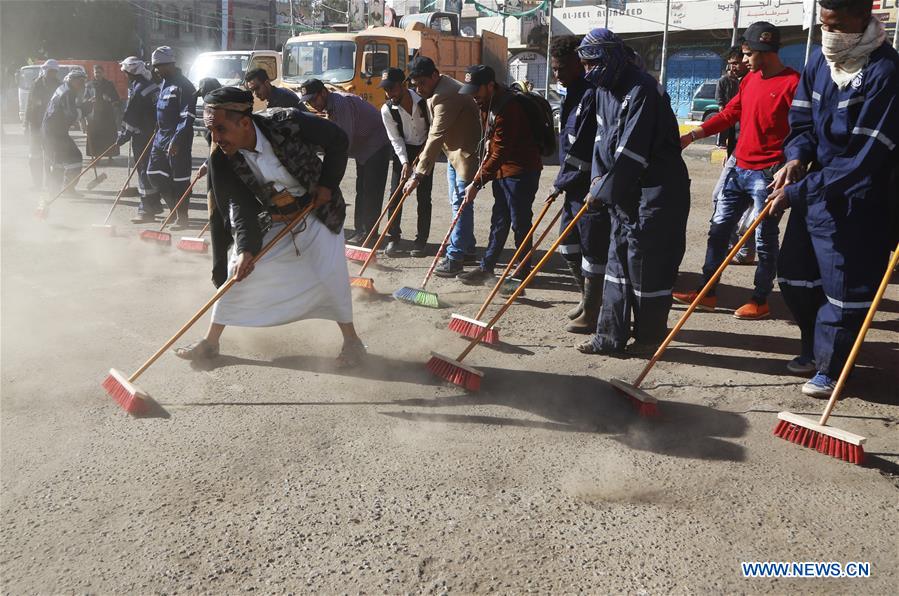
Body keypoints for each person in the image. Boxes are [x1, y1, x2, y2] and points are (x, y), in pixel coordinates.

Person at [174, 87, 366, 367]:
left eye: (220, 129)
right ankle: (210, 342)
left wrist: (327, 184)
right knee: (236, 273)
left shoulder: (287, 122)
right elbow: (239, 205)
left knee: (330, 275)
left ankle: (353, 343)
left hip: (318, 212)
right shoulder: (222, 156)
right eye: (210, 130)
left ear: (244, 122)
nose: (215, 138)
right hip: (276, 218)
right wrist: (246, 249)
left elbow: (338, 139)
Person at [767, 0, 898, 397]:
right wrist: (796, 157)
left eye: (837, 25)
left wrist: (795, 191)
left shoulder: (886, 72)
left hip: (861, 201)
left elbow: (865, 158)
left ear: (862, 20)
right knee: (794, 276)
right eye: (824, 24)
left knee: (844, 291)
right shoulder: (820, 62)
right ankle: (812, 348)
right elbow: (802, 121)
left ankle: (833, 366)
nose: (830, 33)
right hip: (815, 192)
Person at [575, 28, 691, 356]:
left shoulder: (643, 89)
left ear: (612, 57)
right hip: (622, 189)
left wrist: (606, 188)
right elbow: (602, 142)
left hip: (656, 190)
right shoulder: (601, 91)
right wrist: (598, 181)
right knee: (616, 260)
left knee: (646, 265)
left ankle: (649, 337)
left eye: (593, 63)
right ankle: (609, 337)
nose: (588, 71)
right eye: (583, 65)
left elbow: (632, 149)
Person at [676, 22, 800, 321]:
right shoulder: (750, 80)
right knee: (718, 231)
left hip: (769, 174)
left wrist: (794, 163)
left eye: (748, 54)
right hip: (739, 168)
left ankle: (760, 299)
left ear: (765, 51)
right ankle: (707, 292)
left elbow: (803, 129)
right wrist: (693, 135)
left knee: (763, 238)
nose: (743, 60)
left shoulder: (794, 83)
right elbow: (731, 113)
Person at [456, 65, 543, 286]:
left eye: (476, 90)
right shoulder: (486, 102)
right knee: (499, 220)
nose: (473, 96)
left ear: (490, 86)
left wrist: (476, 183)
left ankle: (522, 271)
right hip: (502, 171)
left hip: (522, 171)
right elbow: (494, 145)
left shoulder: (509, 108)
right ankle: (487, 268)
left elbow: (501, 152)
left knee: (520, 222)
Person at [549, 35, 611, 334]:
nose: (556, 74)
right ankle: (585, 299)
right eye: (554, 68)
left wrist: (564, 181)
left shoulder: (591, 95)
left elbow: (587, 149)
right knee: (568, 245)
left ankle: (594, 310)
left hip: (590, 190)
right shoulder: (569, 94)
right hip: (571, 188)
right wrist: (560, 182)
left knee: (592, 252)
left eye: (561, 68)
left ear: (579, 64)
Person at [403, 56, 482, 277]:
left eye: (422, 83)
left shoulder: (445, 95)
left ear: (434, 75)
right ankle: (467, 249)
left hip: (466, 154)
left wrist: (417, 175)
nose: (419, 88)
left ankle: (455, 257)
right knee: (458, 203)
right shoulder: (438, 88)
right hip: (454, 152)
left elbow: (436, 135)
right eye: (415, 84)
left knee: (461, 205)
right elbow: (436, 135)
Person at [300, 78, 392, 244]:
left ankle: (369, 235)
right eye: (309, 102)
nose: (313, 105)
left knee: (371, 192)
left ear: (323, 93)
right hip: (363, 149)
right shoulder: (331, 105)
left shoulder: (340, 104)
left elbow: (343, 143)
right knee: (361, 190)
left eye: (314, 99)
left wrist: (329, 174)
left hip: (377, 145)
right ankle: (360, 231)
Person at [378, 67, 432, 257]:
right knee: (396, 193)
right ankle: (393, 237)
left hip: (426, 146)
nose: (389, 93)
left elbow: (434, 129)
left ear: (403, 85)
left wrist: (425, 154)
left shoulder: (424, 101)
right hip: (404, 149)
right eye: (385, 89)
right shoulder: (387, 110)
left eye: (392, 88)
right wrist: (405, 162)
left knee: (424, 197)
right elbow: (395, 139)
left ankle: (421, 241)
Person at [147, 46, 197, 230]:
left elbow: (187, 117)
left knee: (180, 180)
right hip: (160, 138)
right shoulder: (164, 84)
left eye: (158, 66)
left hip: (178, 140)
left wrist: (177, 139)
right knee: (154, 174)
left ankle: (182, 217)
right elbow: (161, 112)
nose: (155, 70)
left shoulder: (184, 86)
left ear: (169, 64)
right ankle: (173, 210)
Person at [117, 56, 162, 223]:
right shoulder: (150, 85)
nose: (124, 75)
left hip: (143, 135)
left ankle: (146, 211)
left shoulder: (139, 88)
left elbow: (131, 115)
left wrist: (123, 136)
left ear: (131, 73)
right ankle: (155, 204)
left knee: (143, 170)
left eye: (125, 72)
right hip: (154, 133)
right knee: (149, 168)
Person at [42, 70, 87, 196]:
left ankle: (54, 189)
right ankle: (67, 189)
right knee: (75, 157)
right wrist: (84, 110)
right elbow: (71, 115)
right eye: (80, 81)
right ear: (72, 80)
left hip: (52, 130)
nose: (82, 84)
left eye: (83, 81)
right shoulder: (68, 92)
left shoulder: (63, 88)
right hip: (55, 132)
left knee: (59, 160)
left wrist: (81, 108)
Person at [24, 59, 60, 190]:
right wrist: (25, 124)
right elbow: (30, 104)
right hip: (35, 125)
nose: (51, 74)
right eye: (49, 71)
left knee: (51, 156)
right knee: (34, 156)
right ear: (45, 70)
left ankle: (51, 183)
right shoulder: (36, 84)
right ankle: (37, 183)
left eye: (53, 72)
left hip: (51, 126)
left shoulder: (59, 85)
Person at [84, 64, 121, 159]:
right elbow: (84, 99)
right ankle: (96, 156)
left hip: (107, 115)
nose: (98, 74)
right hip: (94, 116)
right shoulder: (89, 85)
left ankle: (110, 155)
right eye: (96, 72)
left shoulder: (109, 84)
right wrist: (89, 100)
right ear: (93, 73)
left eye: (99, 72)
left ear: (103, 73)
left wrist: (109, 99)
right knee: (95, 136)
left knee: (108, 136)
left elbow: (116, 99)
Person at [715, 46, 747, 153]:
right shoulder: (723, 80)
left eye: (735, 63)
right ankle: (721, 143)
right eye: (730, 64)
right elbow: (719, 95)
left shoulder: (747, 82)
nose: (732, 68)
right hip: (729, 111)